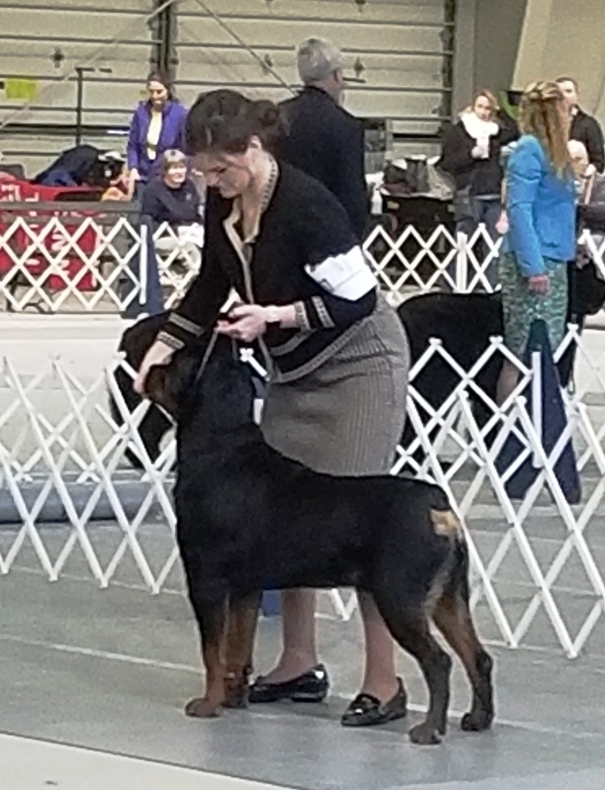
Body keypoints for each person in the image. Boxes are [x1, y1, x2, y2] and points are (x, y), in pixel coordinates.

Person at [134, 89, 410, 727]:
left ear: (253, 149)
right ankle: (297, 662)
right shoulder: (223, 204)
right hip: (293, 368)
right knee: (281, 519)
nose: (210, 183)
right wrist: (164, 345)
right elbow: (211, 281)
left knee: (357, 520)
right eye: (203, 173)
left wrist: (276, 316)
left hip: (359, 364)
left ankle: (385, 681)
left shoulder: (309, 206)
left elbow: (356, 300)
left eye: (219, 170)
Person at [496, 81, 576, 404]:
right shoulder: (529, 150)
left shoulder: (554, 153)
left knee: (546, 348)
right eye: (566, 110)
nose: (571, 115)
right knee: (521, 350)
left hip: (555, 257)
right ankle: (507, 425)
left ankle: (537, 420)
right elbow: (519, 209)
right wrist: (533, 266)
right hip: (534, 261)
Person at [278, 37, 368, 239]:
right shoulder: (347, 126)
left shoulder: (277, 118)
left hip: (280, 230)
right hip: (326, 232)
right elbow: (353, 197)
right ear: (336, 75)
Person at [439, 90, 519, 246]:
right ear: (473, 107)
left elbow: (515, 130)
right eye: (480, 107)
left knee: (494, 244)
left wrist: (501, 112)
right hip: (468, 193)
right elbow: (447, 162)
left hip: (494, 194)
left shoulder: (497, 132)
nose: (484, 112)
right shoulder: (458, 131)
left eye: (488, 108)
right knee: (464, 243)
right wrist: (470, 155)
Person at [126, 71, 188, 195]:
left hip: (168, 179)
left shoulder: (181, 115)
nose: (155, 96)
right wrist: (133, 168)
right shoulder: (140, 113)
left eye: (159, 92)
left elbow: (186, 149)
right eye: (151, 92)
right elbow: (133, 145)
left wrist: (178, 173)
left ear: (168, 91)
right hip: (143, 177)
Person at [556, 76, 605, 174]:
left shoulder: (588, 124)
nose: (564, 96)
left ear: (577, 95)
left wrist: (586, 175)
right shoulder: (545, 122)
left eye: (568, 91)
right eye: (559, 93)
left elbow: (598, 161)